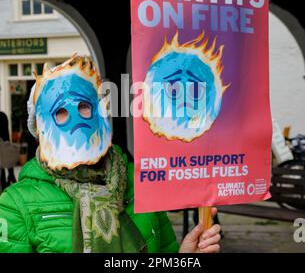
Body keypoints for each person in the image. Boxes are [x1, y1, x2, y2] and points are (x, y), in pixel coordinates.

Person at [0, 56, 221, 253]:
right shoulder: (16, 203)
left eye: (84, 106)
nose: (76, 119)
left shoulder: (141, 182)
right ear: (38, 128)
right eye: (60, 111)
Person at [0, 112, 17, 192]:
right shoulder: (3, 116)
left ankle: (6, 182)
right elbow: (6, 139)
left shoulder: (2, 116)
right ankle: (10, 177)